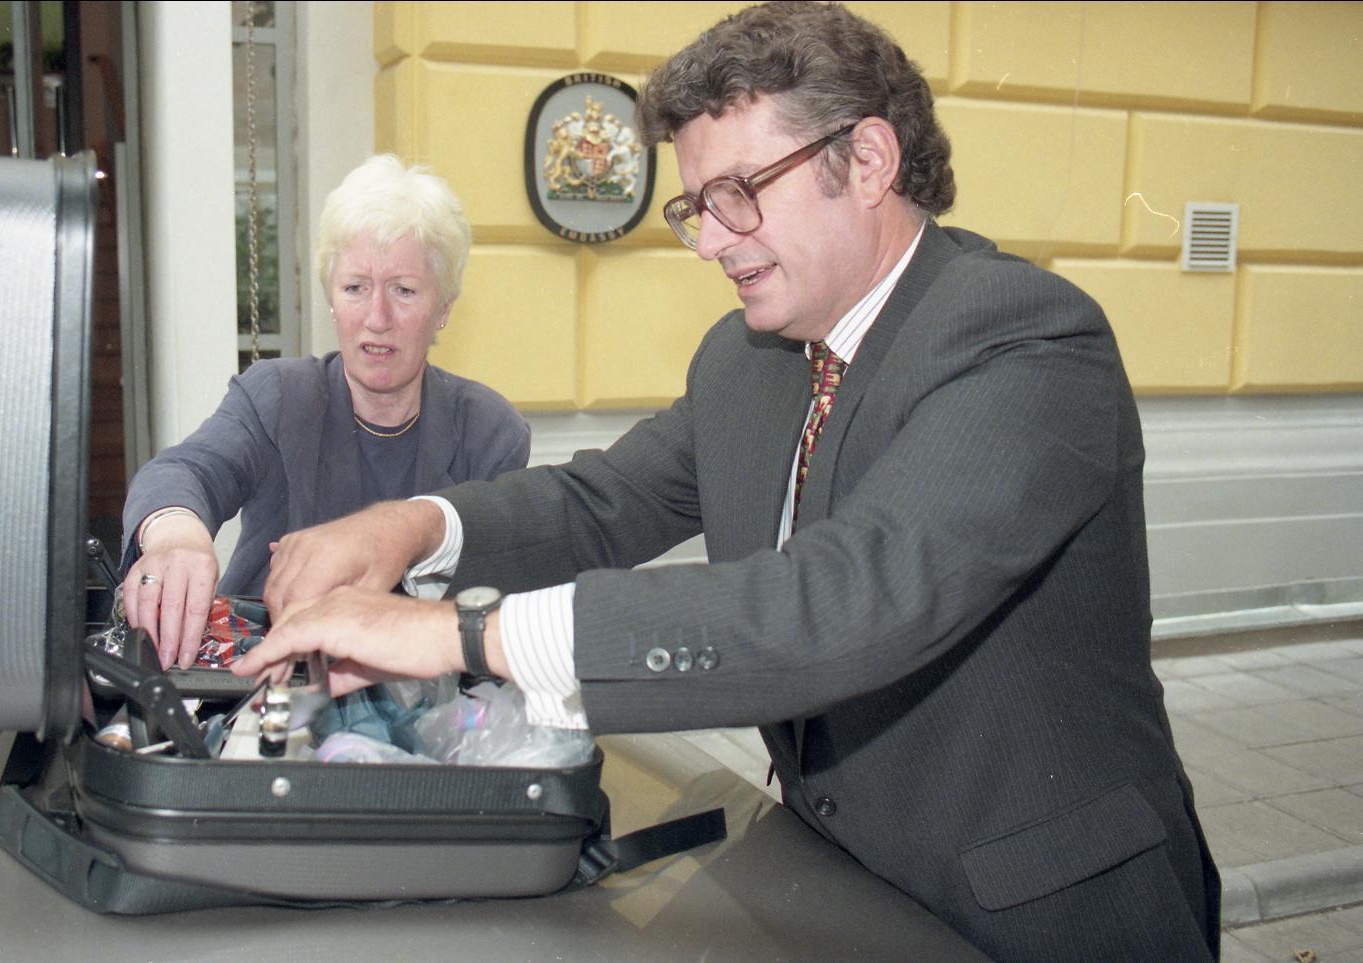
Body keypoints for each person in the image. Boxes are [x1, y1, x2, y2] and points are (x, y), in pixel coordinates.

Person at [237, 3, 1219, 959]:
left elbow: (844, 599)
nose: (709, 240)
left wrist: (459, 634)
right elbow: (604, 501)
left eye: (738, 192)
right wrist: (410, 527)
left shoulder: (1024, 337)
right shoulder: (749, 358)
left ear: (867, 161)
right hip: (839, 881)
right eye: (696, 207)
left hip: (1041, 914)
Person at [119, 153, 529, 669]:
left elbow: (487, 611)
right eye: (355, 288)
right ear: (331, 299)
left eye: (404, 290)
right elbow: (186, 470)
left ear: (443, 308)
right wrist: (176, 536)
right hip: (262, 677)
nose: (377, 318)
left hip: (422, 693)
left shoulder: (490, 433)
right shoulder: (277, 397)